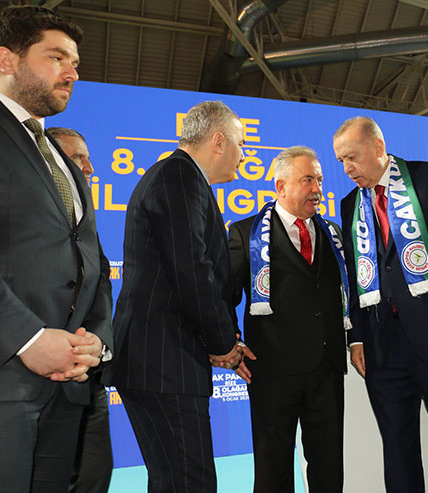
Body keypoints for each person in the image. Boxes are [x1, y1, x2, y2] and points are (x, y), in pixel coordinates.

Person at [334, 116, 428, 492]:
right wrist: (357, 338)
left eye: (352, 157)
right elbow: (356, 278)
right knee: (397, 450)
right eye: (341, 161)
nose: (347, 168)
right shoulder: (350, 203)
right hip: (383, 349)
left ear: (378, 148)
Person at [0, 6, 113, 491]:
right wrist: (28, 339)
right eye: (56, 57)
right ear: (7, 59)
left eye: (76, 63)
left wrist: (96, 340)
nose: (72, 73)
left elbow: (92, 262)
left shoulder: (62, 157)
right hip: (3, 382)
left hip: (69, 385)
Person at [102, 101, 244, 492]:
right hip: (164, 362)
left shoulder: (178, 177)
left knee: (173, 481)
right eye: (241, 144)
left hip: (161, 361)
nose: (244, 155)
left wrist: (225, 340)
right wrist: (222, 344)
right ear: (218, 141)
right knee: (190, 482)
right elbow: (192, 271)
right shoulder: (179, 176)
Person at [228, 145, 348, 492]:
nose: (317, 189)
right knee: (273, 469)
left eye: (320, 180)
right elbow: (224, 296)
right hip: (272, 371)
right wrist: (230, 343)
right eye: (308, 180)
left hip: (326, 369)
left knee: (328, 466)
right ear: (280, 186)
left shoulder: (333, 233)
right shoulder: (245, 233)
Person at [48, 126, 114, 493]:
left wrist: (98, 341)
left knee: (95, 476)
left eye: (88, 158)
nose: (89, 168)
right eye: (78, 158)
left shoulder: (85, 218)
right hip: (37, 377)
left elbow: (101, 284)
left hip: (89, 375)